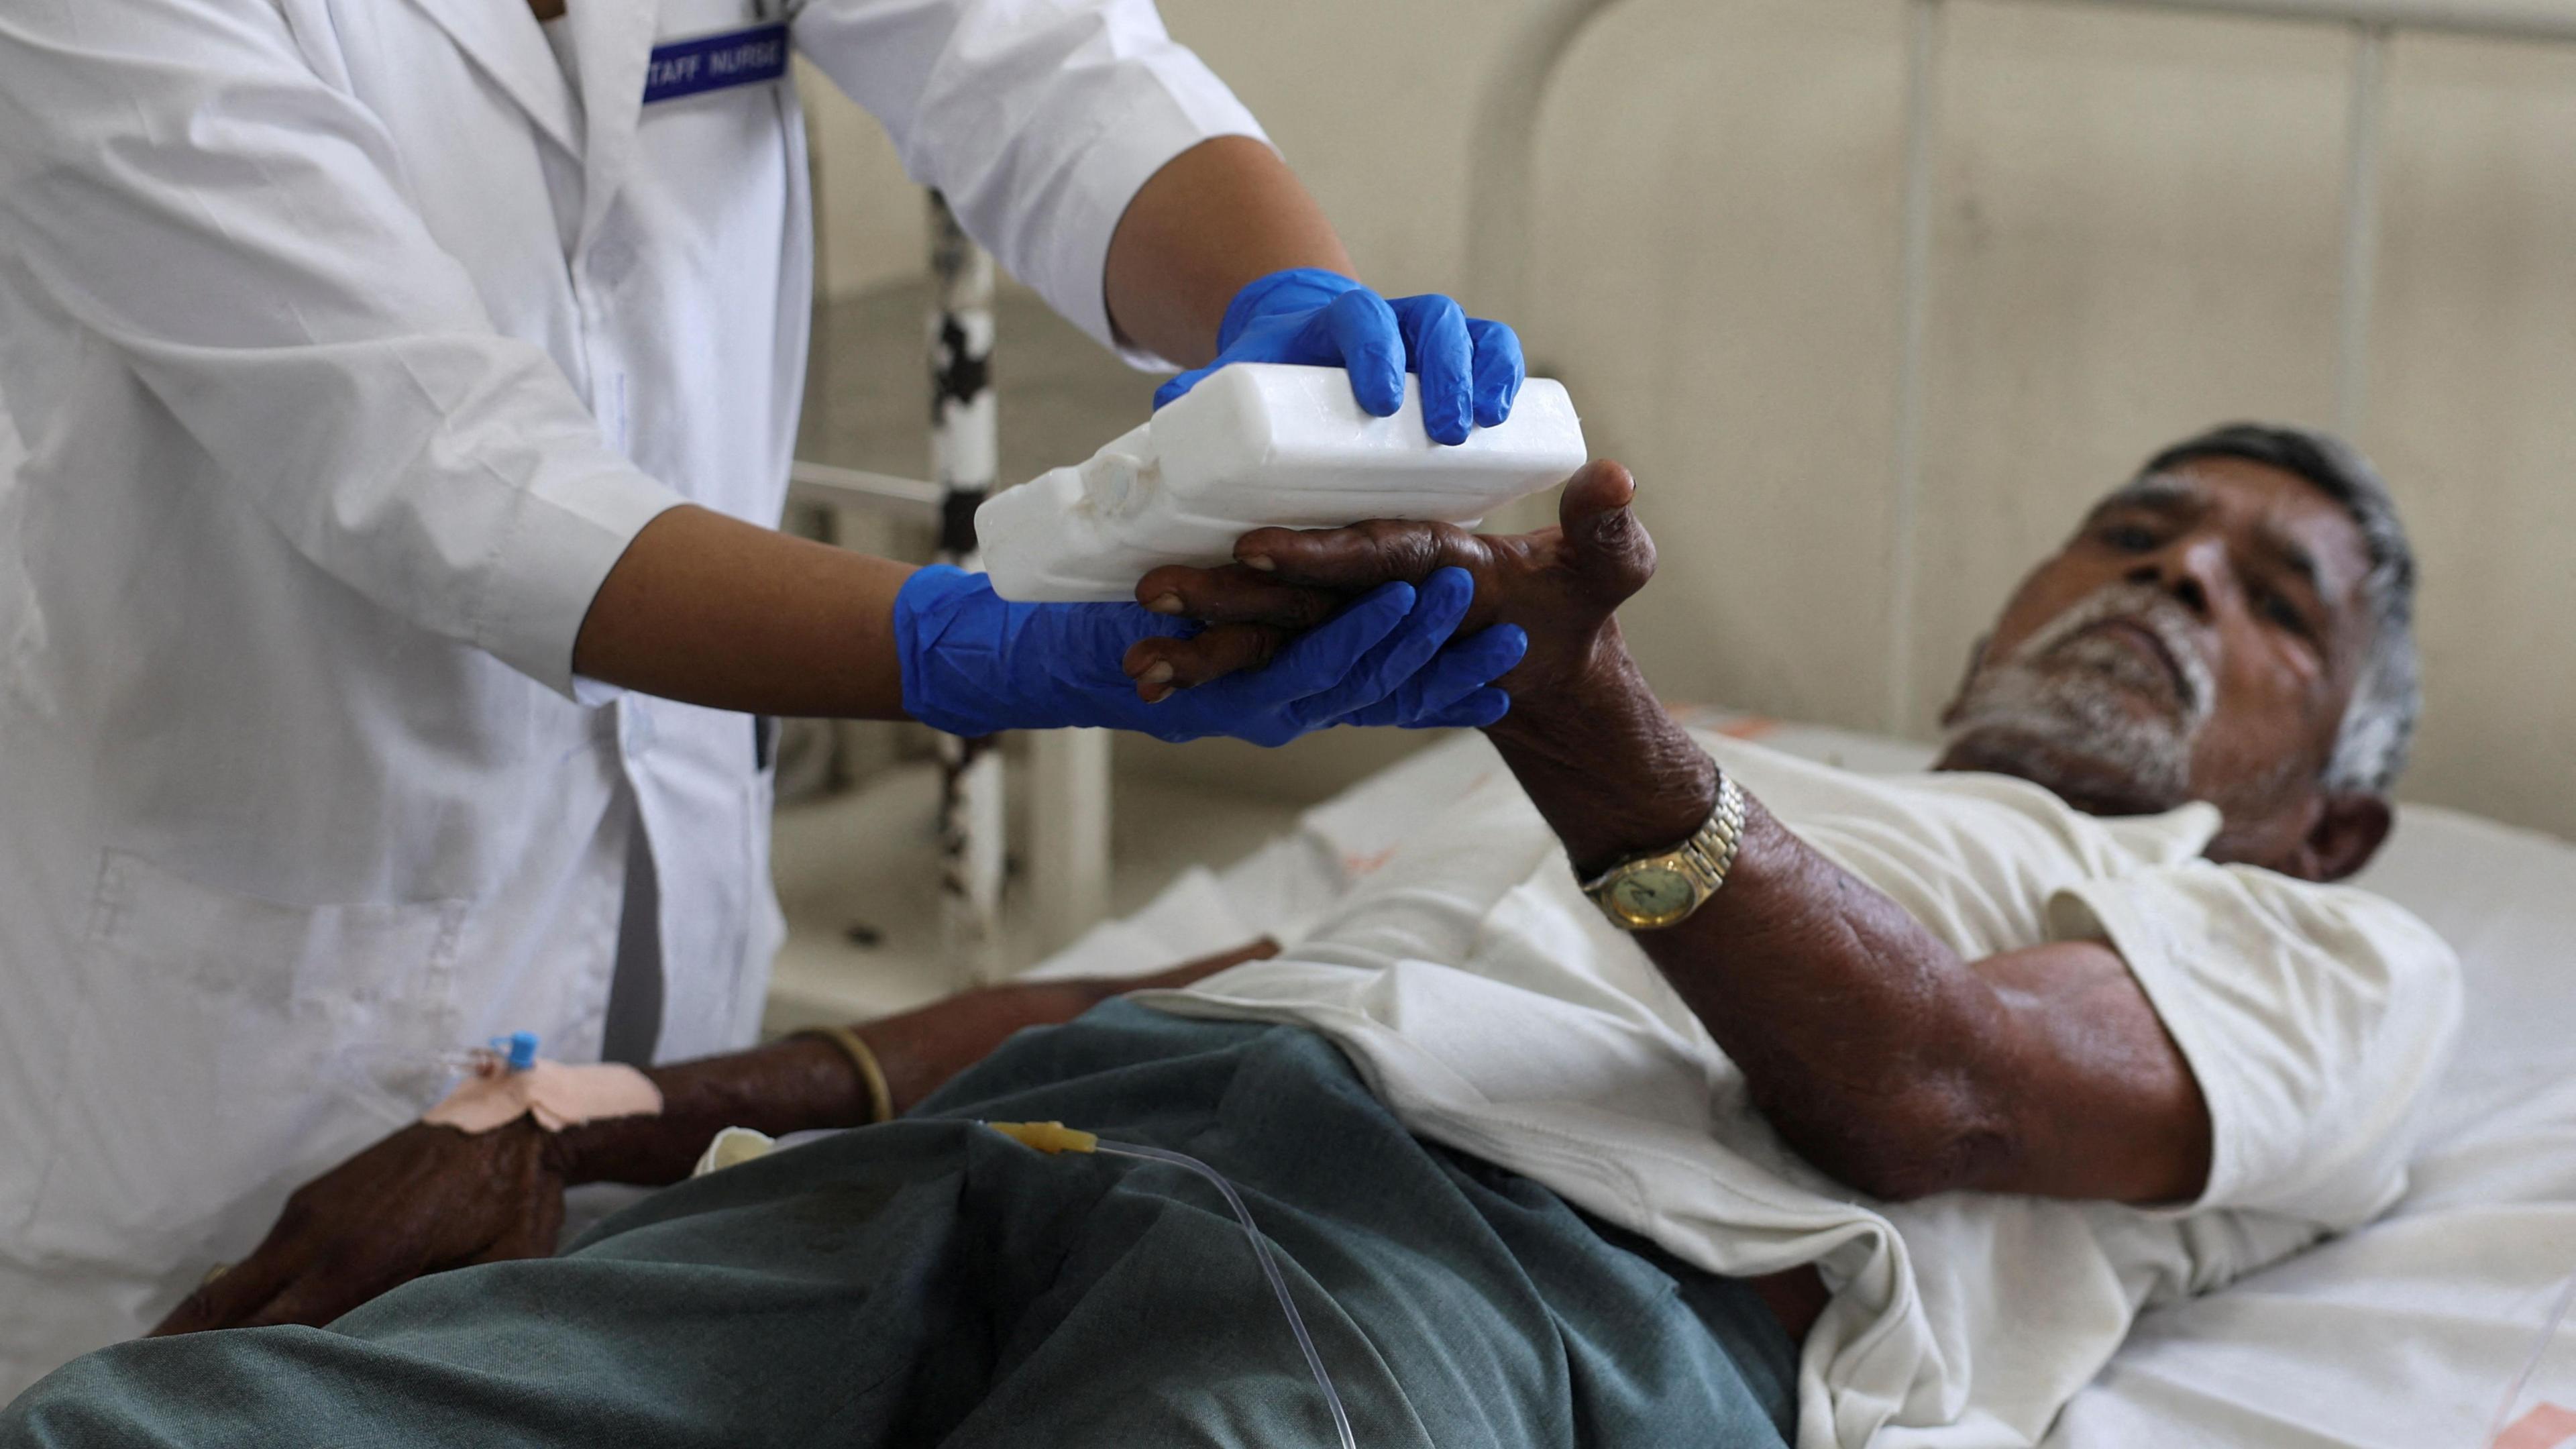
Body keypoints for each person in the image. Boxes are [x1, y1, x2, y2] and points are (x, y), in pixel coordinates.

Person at [4, 425, 2461, 1448]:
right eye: (2140, 531)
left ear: (2336, 808)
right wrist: (595, 1110)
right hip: (1087, 1140)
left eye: (2271, 604)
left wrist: (1582, 718)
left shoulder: (2328, 959)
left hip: (1507, 1283)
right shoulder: (1729, 787)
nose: (2172, 581)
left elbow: (1929, 1089)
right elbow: (1159, 1004)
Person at [0, 0, 1535, 1393]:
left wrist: (1283, 315)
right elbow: (437, 465)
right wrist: (969, 643)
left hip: (661, 947)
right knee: (205, 1404)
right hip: (235, 1004)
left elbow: (1042, 58)